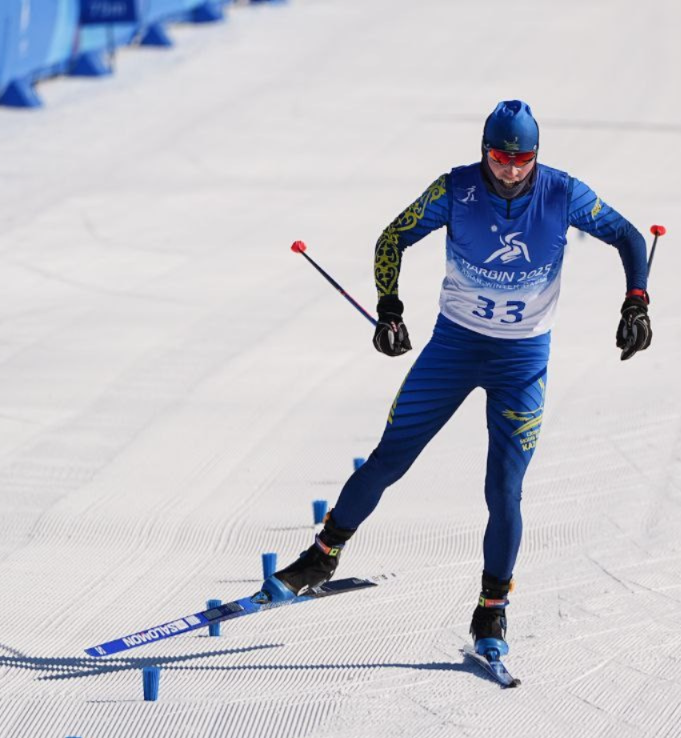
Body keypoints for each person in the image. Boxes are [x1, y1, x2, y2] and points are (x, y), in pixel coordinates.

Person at [261, 100, 653, 660]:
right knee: (389, 458)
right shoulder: (456, 190)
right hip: (454, 348)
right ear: (484, 150)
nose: (510, 170)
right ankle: (321, 557)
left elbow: (629, 237)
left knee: (504, 489)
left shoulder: (564, 193)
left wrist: (636, 302)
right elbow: (392, 238)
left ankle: (492, 608)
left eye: (522, 159)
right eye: (500, 157)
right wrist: (390, 310)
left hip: (521, 361)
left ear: (536, 155)